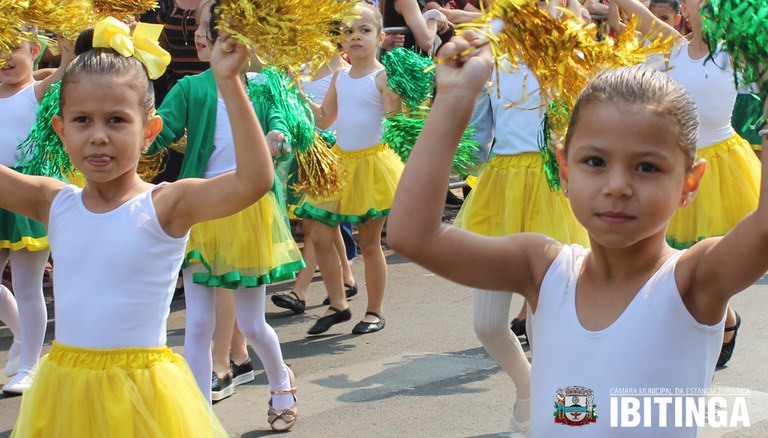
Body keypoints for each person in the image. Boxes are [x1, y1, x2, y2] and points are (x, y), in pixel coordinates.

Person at [388, 30, 767, 436]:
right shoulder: (543, 268)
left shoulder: (692, 281)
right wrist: (455, 97)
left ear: (689, 185)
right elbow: (414, 235)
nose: (617, 185)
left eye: (647, 167)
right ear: (565, 170)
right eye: (595, 161)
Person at [7, 20, 268, 436]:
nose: (97, 136)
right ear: (61, 130)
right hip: (64, 391)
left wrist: (229, 81)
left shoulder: (166, 205)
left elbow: (253, 181)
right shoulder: (54, 201)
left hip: (144, 395)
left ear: (148, 132)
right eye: (81, 121)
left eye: (115, 121)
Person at [147, 1, 302, 430]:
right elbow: (159, 132)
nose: (198, 34)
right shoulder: (189, 88)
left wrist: (278, 134)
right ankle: (198, 410)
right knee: (197, 321)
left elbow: (279, 123)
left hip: (249, 212)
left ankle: (281, 382)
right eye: (196, 26)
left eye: (208, 28)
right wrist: (131, 134)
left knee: (253, 323)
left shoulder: (261, 85)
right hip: (201, 211)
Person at [611, 0, 758, 368]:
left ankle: (721, 319)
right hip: (679, 164)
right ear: (686, 11)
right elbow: (637, 14)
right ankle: (709, 324)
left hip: (724, 166)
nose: (705, 11)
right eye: (698, 4)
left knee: (714, 261)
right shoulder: (672, 48)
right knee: (671, 258)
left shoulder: (733, 53)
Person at [453, 61, 590, 436]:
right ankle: (529, 388)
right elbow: (476, 142)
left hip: (551, 189)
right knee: (487, 324)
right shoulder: (491, 68)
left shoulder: (564, 61)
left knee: (544, 322)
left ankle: (554, 419)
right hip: (500, 190)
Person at [298, 1, 404, 335]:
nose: (355, 36)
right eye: (348, 31)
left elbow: (396, 121)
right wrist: (293, 94)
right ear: (340, 40)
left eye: (364, 30)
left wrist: (400, 100)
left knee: (370, 241)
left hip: (374, 165)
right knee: (316, 227)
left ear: (380, 37)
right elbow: (325, 119)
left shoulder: (383, 78)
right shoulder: (339, 76)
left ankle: (375, 311)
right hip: (341, 163)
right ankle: (338, 302)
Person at [0, 30, 75, 395]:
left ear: (33, 51)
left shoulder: (39, 92)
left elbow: (69, 68)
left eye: (12, 48)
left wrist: (66, 39)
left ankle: (29, 365)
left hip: (30, 195)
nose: (5, 58)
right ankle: (18, 335)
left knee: (29, 287)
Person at [272, 53, 359, 315]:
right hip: (302, 150)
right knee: (323, 224)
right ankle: (346, 278)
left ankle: (300, 291)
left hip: (327, 153)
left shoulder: (342, 70)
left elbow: (327, 118)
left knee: (314, 224)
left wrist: (297, 92)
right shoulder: (298, 63)